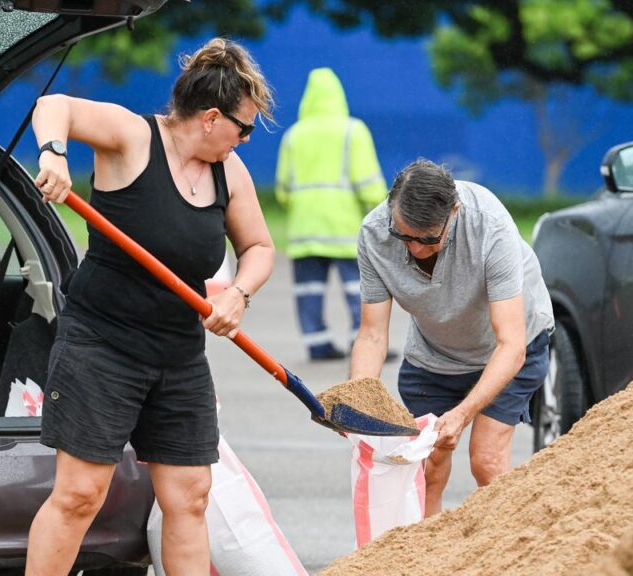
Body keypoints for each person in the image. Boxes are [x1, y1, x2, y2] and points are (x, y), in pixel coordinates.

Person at [25, 38, 276, 576]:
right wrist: (54, 154)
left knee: (189, 496)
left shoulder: (229, 174)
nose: (246, 140)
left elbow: (259, 247)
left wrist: (239, 293)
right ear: (212, 118)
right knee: (79, 495)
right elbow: (55, 108)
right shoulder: (134, 136)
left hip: (179, 355)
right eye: (244, 128)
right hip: (102, 346)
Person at [348, 159, 554, 517]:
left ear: (454, 213)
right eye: (404, 236)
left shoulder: (490, 226)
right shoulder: (375, 234)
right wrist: (356, 402)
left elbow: (511, 344)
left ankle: (508, 554)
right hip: (435, 351)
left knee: (486, 460)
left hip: (506, 348)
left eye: (427, 239)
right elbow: (372, 335)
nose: (414, 249)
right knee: (424, 466)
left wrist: (462, 414)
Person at [275, 67, 388, 361]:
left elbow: (283, 190)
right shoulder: (353, 131)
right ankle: (361, 340)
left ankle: (317, 342)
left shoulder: (293, 136)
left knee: (308, 289)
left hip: (304, 230)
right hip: (344, 228)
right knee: (357, 287)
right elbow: (369, 185)